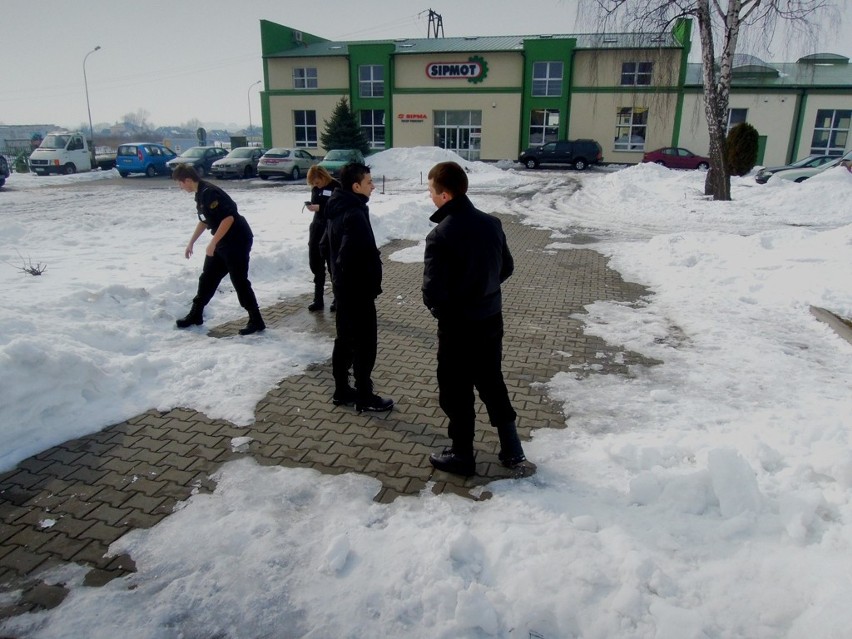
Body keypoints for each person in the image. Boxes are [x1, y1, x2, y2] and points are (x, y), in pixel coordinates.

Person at [422, 161, 526, 476]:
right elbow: (505, 267)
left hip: (458, 327)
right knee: (492, 380)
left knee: (456, 390)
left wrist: (448, 312)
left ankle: (462, 456)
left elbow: (432, 292)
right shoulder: (492, 223)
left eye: (431, 190)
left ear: (445, 194)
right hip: (491, 319)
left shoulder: (440, 235)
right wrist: (485, 291)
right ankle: (512, 448)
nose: (430, 196)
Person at [324, 162, 393, 412]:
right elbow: (347, 255)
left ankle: (342, 390)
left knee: (345, 340)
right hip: (356, 293)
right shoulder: (354, 213)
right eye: (369, 182)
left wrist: (337, 277)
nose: (373, 186)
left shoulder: (336, 207)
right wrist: (362, 279)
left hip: (343, 290)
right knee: (365, 344)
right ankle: (364, 395)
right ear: (356, 186)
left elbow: (325, 246)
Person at [172, 163, 265, 335]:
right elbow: (205, 220)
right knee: (207, 277)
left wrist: (213, 243)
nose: (179, 187)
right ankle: (196, 314)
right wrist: (191, 242)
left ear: (187, 180)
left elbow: (228, 218)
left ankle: (256, 320)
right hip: (222, 241)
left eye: (179, 183)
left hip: (237, 240)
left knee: (239, 281)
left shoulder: (210, 192)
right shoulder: (200, 194)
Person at [305, 165, 341, 312]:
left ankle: (337, 299)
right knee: (316, 263)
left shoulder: (336, 187)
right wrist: (312, 207)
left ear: (323, 176)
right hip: (317, 228)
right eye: (312, 183)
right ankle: (318, 299)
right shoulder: (315, 189)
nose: (315, 185)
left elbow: (337, 207)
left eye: (317, 181)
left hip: (331, 228)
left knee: (333, 265)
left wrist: (320, 208)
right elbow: (317, 204)